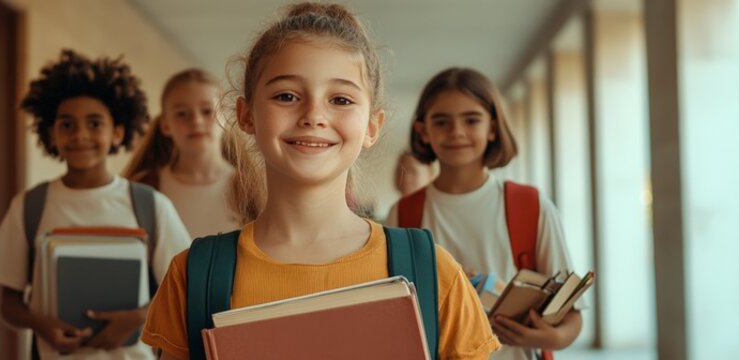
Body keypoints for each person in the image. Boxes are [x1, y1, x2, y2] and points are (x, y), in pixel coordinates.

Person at [140, 4, 500, 360]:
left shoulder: (434, 272)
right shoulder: (193, 276)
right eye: (286, 96)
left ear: (372, 126)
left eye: (340, 99)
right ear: (246, 115)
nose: (313, 115)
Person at [0, 49, 191, 359]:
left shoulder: (150, 206)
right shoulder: (29, 206)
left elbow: (184, 291)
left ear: (117, 132)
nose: (80, 135)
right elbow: (8, 304)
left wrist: (138, 318)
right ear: (51, 135)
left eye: (95, 124)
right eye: (67, 125)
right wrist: (39, 323)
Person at [387, 67, 584, 360]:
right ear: (423, 131)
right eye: (441, 121)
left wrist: (549, 337)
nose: (456, 132)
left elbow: (571, 316)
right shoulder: (403, 215)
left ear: (492, 127)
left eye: (471, 120)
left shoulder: (531, 206)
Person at [122, 69, 238, 238]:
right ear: (165, 125)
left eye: (207, 111)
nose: (196, 121)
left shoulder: (252, 189)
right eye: (182, 114)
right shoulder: (143, 188)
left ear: (226, 117)